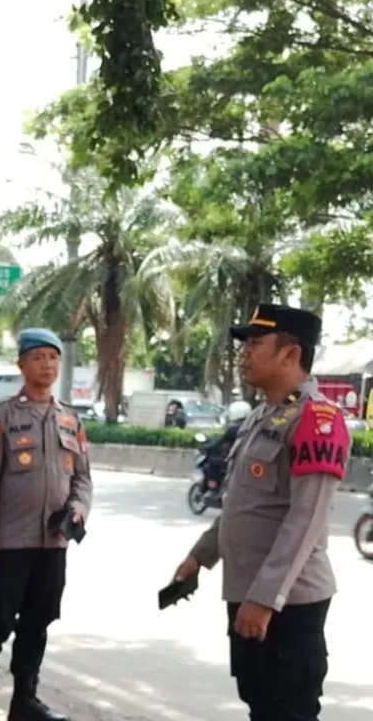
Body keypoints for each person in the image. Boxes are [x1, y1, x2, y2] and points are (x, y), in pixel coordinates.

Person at [171, 304, 346, 721]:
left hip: (286, 603)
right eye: (243, 344)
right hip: (248, 593)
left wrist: (266, 599)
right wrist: (201, 555)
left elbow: (306, 520)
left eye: (254, 343)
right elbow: (244, 504)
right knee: (260, 703)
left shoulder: (317, 419)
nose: (243, 353)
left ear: (291, 354)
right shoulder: (262, 417)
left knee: (288, 710)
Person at [0, 328, 93, 721]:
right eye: (38, 358)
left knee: (38, 623)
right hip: (8, 544)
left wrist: (78, 508)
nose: (47, 365)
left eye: (53, 358)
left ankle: (25, 700)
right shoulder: (0, 417)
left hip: (52, 544)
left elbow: (82, 477)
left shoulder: (70, 419)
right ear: (22, 365)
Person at [200, 400, 253, 501]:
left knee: (212, 461)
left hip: (235, 460)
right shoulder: (252, 427)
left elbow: (220, 442)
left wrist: (207, 447)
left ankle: (213, 488)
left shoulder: (234, 429)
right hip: (248, 459)